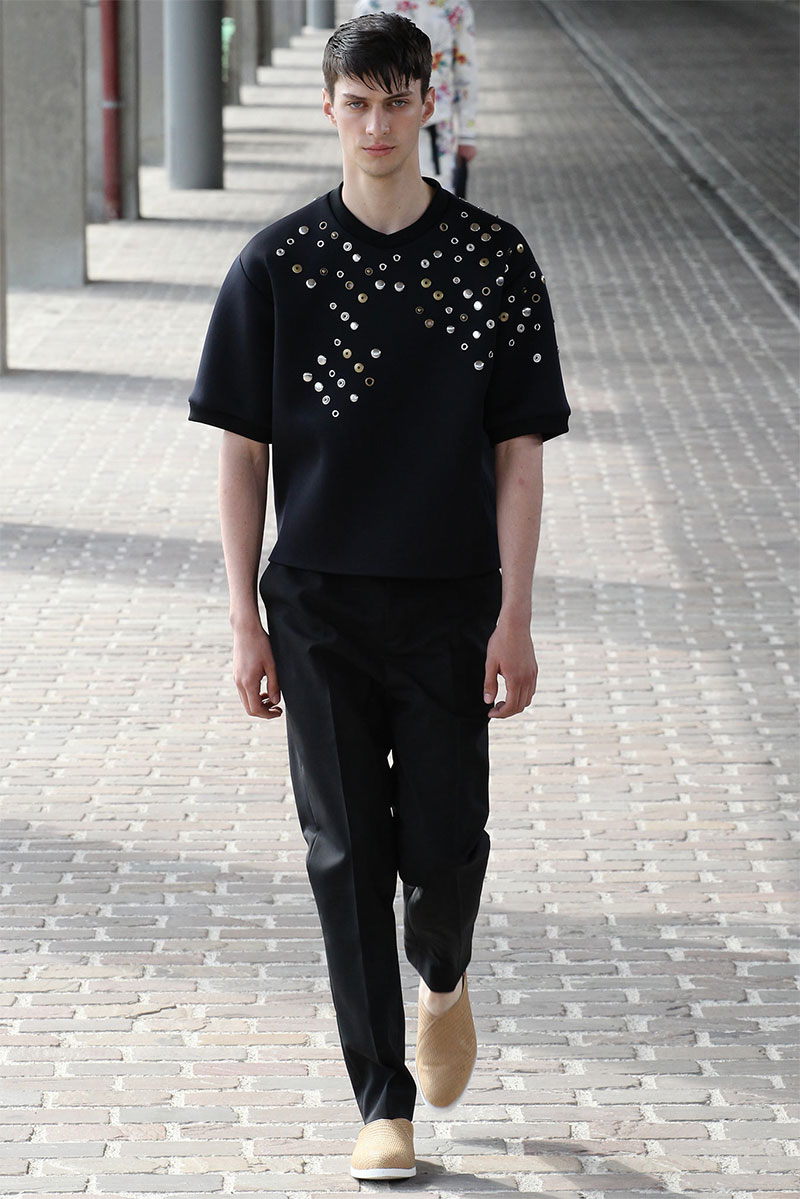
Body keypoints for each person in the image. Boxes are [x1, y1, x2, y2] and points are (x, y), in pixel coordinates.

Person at [188, 11, 569, 1181]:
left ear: (427, 102)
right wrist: (244, 619)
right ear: (329, 109)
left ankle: (441, 971)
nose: (376, 123)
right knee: (345, 852)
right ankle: (380, 1099)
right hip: (316, 608)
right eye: (355, 102)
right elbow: (242, 453)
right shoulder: (276, 265)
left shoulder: (492, 259)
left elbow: (517, 453)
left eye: (396, 99)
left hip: (450, 599)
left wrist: (513, 613)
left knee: (444, 847)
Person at [353, 0, 478, 195]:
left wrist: (466, 134)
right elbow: (355, 71)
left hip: (435, 127)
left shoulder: (455, 7)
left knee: (436, 200)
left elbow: (465, 73)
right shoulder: (371, 6)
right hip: (382, 126)